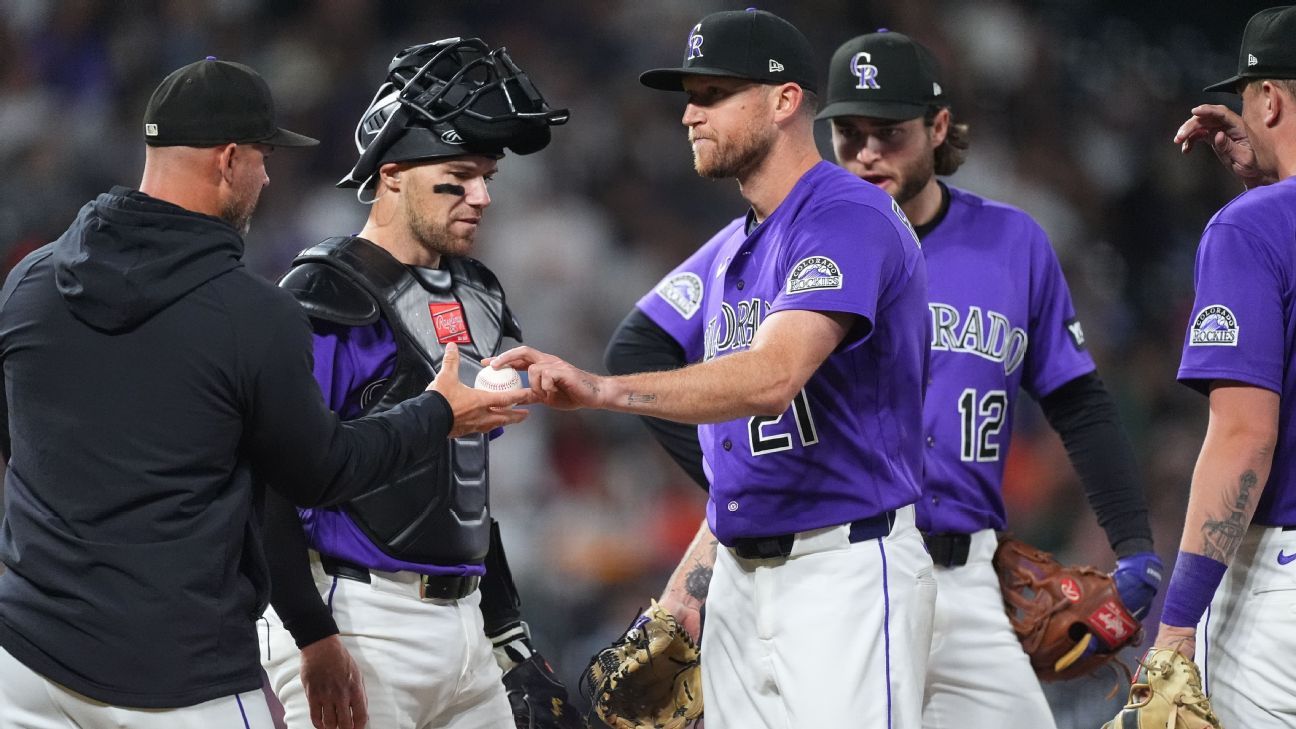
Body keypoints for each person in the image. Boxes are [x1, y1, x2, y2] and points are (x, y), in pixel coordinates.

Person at [610, 27, 1163, 729]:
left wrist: (1133, 542)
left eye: (889, 132)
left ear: (937, 128)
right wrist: (737, 485)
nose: (868, 151)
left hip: (963, 577)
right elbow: (638, 345)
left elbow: (1078, 399)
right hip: (830, 566)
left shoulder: (1011, 241)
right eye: (850, 132)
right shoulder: (774, 235)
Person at [0, 58, 530, 728]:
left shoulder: (31, 282)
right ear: (228, 159)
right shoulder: (252, 315)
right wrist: (437, 412)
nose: (269, 174)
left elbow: (16, 440)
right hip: (178, 679)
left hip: (25, 660)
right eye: (263, 155)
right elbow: (321, 470)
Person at [493, 10, 936, 728]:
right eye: (690, 97)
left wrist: (604, 395)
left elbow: (773, 376)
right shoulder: (735, 244)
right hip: (740, 571)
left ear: (784, 100)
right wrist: (705, 553)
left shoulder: (849, 216)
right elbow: (635, 344)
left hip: (844, 570)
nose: (690, 114)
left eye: (714, 93)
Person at [259, 38, 580, 729]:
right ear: (394, 171)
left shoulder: (479, 294)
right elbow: (271, 485)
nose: (483, 195)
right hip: (356, 615)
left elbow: (465, 485)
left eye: (487, 175)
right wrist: (313, 635)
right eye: (460, 175)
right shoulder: (324, 293)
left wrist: (507, 632)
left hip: (465, 624)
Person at [1154, 6, 1296, 727]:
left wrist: (1177, 626)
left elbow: (1246, 437)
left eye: (1250, 95)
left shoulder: (1251, 229)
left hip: (1281, 599)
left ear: (1268, 100)